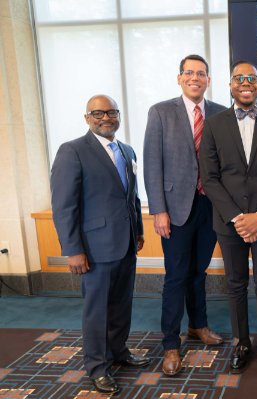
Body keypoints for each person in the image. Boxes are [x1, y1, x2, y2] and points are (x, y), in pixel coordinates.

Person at [200, 60, 257, 376]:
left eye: (251, 78)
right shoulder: (214, 125)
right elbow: (210, 178)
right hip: (230, 224)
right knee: (236, 284)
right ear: (229, 85)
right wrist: (240, 219)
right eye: (239, 78)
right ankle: (242, 343)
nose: (245, 83)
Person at [51, 95, 149, 394]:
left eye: (111, 112)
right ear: (87, 118)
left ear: (119, 116)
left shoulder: (127, 150)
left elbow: (132, 197)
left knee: (121, 304)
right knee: (97, 311)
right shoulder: (72, 151)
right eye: (98, 113)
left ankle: (119, 352)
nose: (106, 117)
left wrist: (139, 230)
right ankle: (97, 366)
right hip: (93, 248)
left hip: (126, 243)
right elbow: (63, 205)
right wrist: (73, 249)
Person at [144, 54, 227, 376]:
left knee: (198, 272)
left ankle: (198, 326)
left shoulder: (221, 114)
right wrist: (158, 210)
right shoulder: (161, 112)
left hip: (210, 206)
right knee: (176, 276)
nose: (196, 78)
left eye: (202, 73)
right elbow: (152, 164)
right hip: (175, 209)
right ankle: (170, 345)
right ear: (179, 78)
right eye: (189, 73)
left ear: (208, 80)